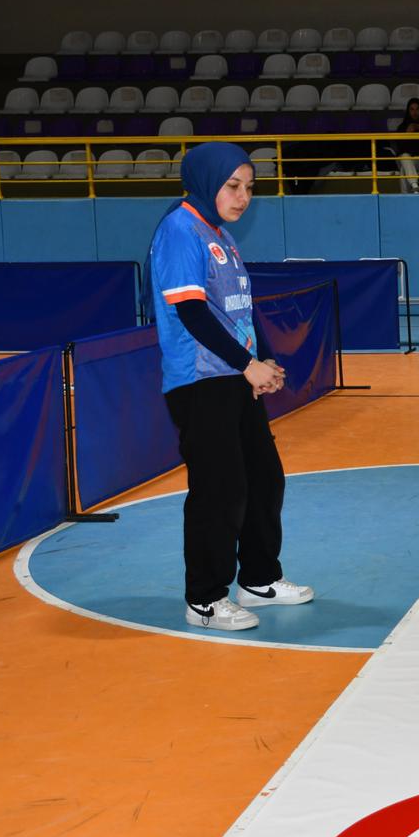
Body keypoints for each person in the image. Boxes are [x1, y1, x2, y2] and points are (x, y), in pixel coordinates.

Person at [148, 141, 313, 630]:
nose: (243, 197)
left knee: (264, 478)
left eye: (249, 188)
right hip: (201, 382)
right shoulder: (179, 229)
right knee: (219, 490)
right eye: (232, 186)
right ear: (204, 182)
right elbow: (192, 310)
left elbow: (237, 310)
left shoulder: (220, 234)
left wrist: (262, 360)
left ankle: (258, 579)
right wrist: (246, 365)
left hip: (235, 376)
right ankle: (204, 598)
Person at [394, 96, 419, 193]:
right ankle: (414, 187)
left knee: (403, 169)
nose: (415, 112)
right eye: (412, 109)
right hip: (406, 159)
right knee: (405, 157)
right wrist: (406, 134)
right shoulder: (402, 127)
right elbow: (399, 149)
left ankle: (406, 196)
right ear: (408, 111)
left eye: (417, 109)